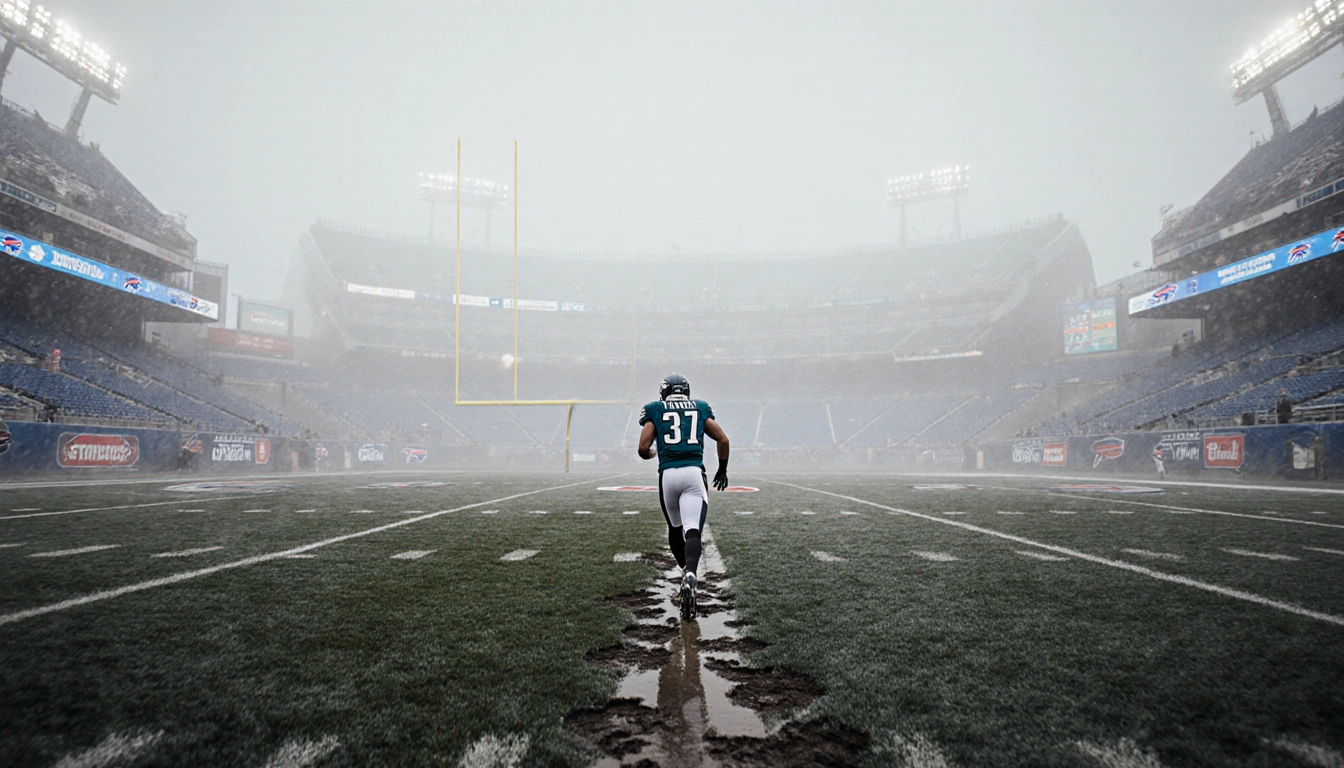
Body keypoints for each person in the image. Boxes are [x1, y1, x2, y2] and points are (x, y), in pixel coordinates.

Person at [638, 373, 729, 621]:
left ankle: (683, 573)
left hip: (668, 475)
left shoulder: (655, 409)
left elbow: (642, 449)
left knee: (674, 528)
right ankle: (691, 573)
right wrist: (722, 469)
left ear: (665, 392)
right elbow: (723, 439)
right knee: (693, 531)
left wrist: (656, 451)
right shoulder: (699, 407)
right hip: (692, 473)